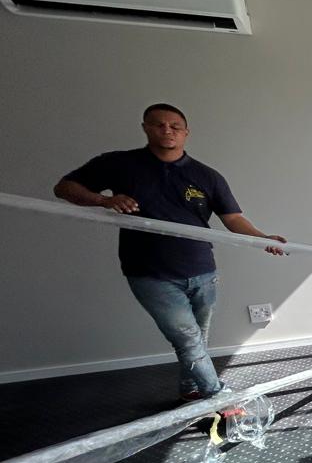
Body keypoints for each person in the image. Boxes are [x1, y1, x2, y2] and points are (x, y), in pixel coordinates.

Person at [55, 103, 286, 401]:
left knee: (197, 339)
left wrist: (262, 239)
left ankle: (190, 391)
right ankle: (219, 399)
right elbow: (64, 188)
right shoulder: (119, 164)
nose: (167, 130)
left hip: (202, 271)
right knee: (187, 339)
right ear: (145, 128)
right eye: (159, 124)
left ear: (186, 132)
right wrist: (103, 200)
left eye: (175, 126)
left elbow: (233, 219)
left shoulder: (207, 176)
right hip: (150, 273)